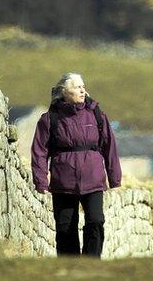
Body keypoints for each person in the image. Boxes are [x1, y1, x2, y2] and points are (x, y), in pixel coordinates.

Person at [31, 72, 121, 258]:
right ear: (64, 92)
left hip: (93, 179)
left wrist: (115, 178)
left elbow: (109, 146)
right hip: (63, 182)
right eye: (77, 87)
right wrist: (41, 181)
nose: (82, 90)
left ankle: (91, 264)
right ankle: (70, 269)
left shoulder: (97, 115)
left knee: (96, 221)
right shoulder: (49, 119)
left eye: (83, 86)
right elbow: (39, 151)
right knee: (65, 229)